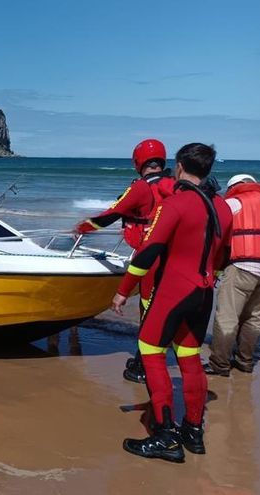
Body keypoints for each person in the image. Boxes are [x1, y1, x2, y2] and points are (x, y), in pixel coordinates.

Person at [111, 143, 232, 463]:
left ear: (179, 166)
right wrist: (210, 276)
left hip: (174, 291)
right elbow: (224, 255)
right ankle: (193, 430)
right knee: (189, 356)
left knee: (151, 351)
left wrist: (124, 290)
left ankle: (165, 436)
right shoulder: (222, 206)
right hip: (204, 293)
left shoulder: (176, 203)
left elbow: (148, 252)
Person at [74, 138, 176, 383]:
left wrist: (82, 228)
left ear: (138, 162)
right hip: (176, 256)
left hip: (150, 258)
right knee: (165, 310)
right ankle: (160, 359)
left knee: (148, 312)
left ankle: (143, 366)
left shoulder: (140, 188)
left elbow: (111, 214)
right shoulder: (176, 185)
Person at [205, 174, 260, 376]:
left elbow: (216, 231)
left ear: (233, 187)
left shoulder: (234, 202)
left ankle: (220, 364)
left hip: (242, 266)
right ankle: (245, 361)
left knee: (227, 316)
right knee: (254, 317)